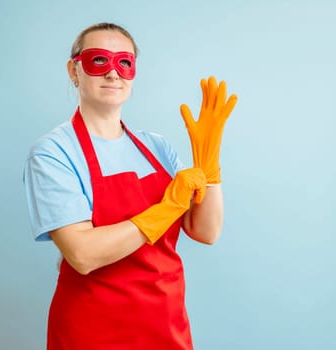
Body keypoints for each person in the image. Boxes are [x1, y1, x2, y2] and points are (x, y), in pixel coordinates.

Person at [23, 22, 237, 350]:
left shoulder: (157, 148)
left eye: (124, 62)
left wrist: (210, 168)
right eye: (99, 60)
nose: (113, 73)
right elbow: (83, 254)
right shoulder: (54, 152)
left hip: (166, 327)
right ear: (74, 70)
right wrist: (164, 210)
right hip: (92, 332)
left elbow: (206, 231)